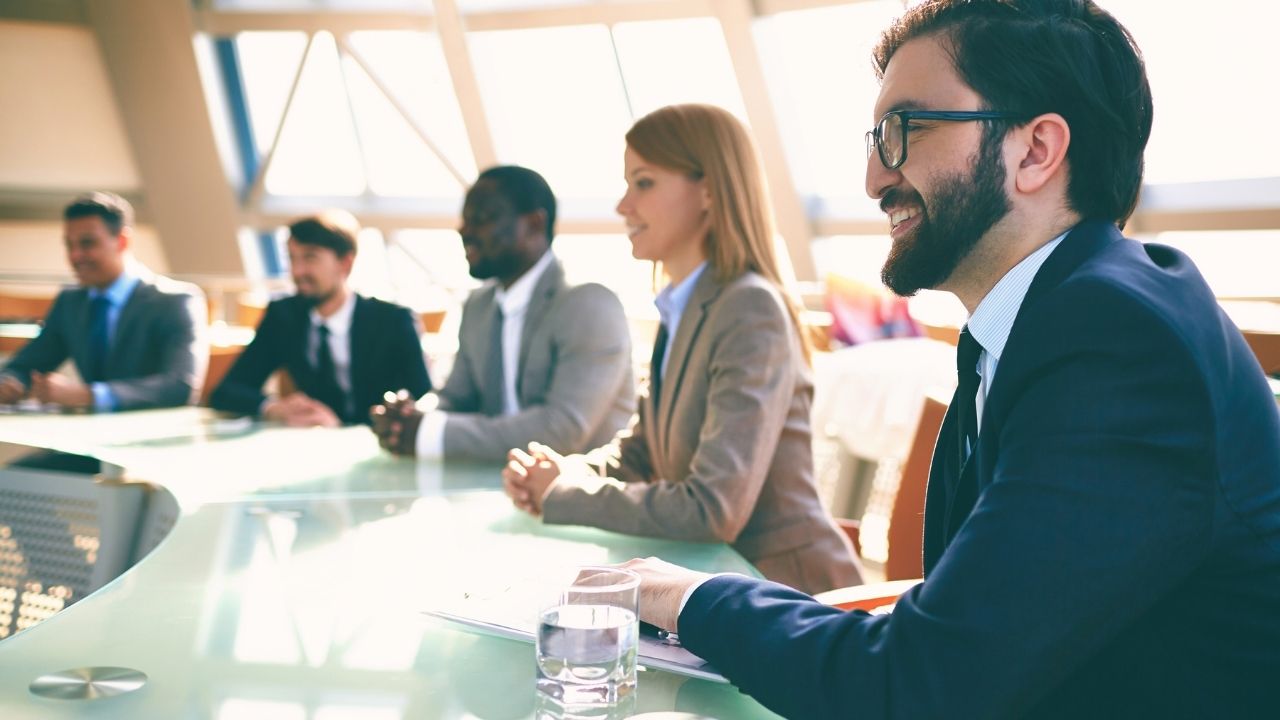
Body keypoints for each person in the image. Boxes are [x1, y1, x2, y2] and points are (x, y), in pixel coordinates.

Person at [621, 2, 1280, 718]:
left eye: (908, 130)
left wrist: (689, 597)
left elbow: (923, 684)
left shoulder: (1119, 341)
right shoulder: (1026, 327)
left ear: (1035, 152)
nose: (875, 177)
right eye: (876, 137)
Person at [501, 105, 862, 596]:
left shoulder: (749, 309)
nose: (624, 205)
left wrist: (565, 494)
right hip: (715, 584)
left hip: (786, 594)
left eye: (643, 183)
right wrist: (560, 473)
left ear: (710, 191)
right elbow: (639, 453)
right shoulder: (686, 305)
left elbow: (712, 508)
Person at [371, 166, 634, 461]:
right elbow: (456, 397)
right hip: (499, 485)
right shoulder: (478, 305)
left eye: (481, 219)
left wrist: (431, 432)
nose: (464, 230)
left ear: (534, 224)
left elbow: (563, 430)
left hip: (581, 496)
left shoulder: (587, 304)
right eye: (465, 220)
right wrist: (412, 417)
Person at [210, 211, 430, 427]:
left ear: (345, 264)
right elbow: (225, 391)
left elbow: (424, 402)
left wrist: (343, 427)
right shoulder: (284, 316)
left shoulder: (393, 321)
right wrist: (273, 407)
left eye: (310, 257)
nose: (297, 271)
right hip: (310, 444)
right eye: (292, 258)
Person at [0, 192, 207, 411]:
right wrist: (10, 383)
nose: (75, 256)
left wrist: (88, 395)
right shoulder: (71, 302)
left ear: (122, 241)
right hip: (82, 436)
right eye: (69, 245)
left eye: (87, 243)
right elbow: (26, 365)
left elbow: (180, 386)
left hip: (152, 438)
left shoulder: (176, 301)